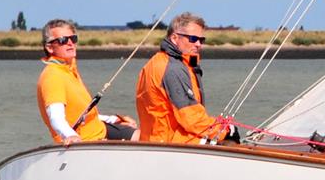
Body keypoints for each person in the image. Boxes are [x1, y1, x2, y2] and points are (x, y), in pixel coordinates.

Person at [135, 12, 239, 144]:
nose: (198, 44)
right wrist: (226, 130)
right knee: (230, 142)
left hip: (157, 141)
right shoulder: (173, 69)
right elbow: (191, 119)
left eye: (201, 40)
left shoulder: (158, 61)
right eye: (192, 39)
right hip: (172, 144)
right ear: (174, 38)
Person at [37, 19, 139, 145]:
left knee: (145, 135)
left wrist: (114, 119)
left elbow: (82, 114)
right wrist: (71, 135)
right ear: (49, 47)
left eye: (73, 39)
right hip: (85, 140)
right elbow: (56, 117)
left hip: (100, 129)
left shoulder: (69, 70)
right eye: (63, 40)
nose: (70, 43)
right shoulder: (53, 76)